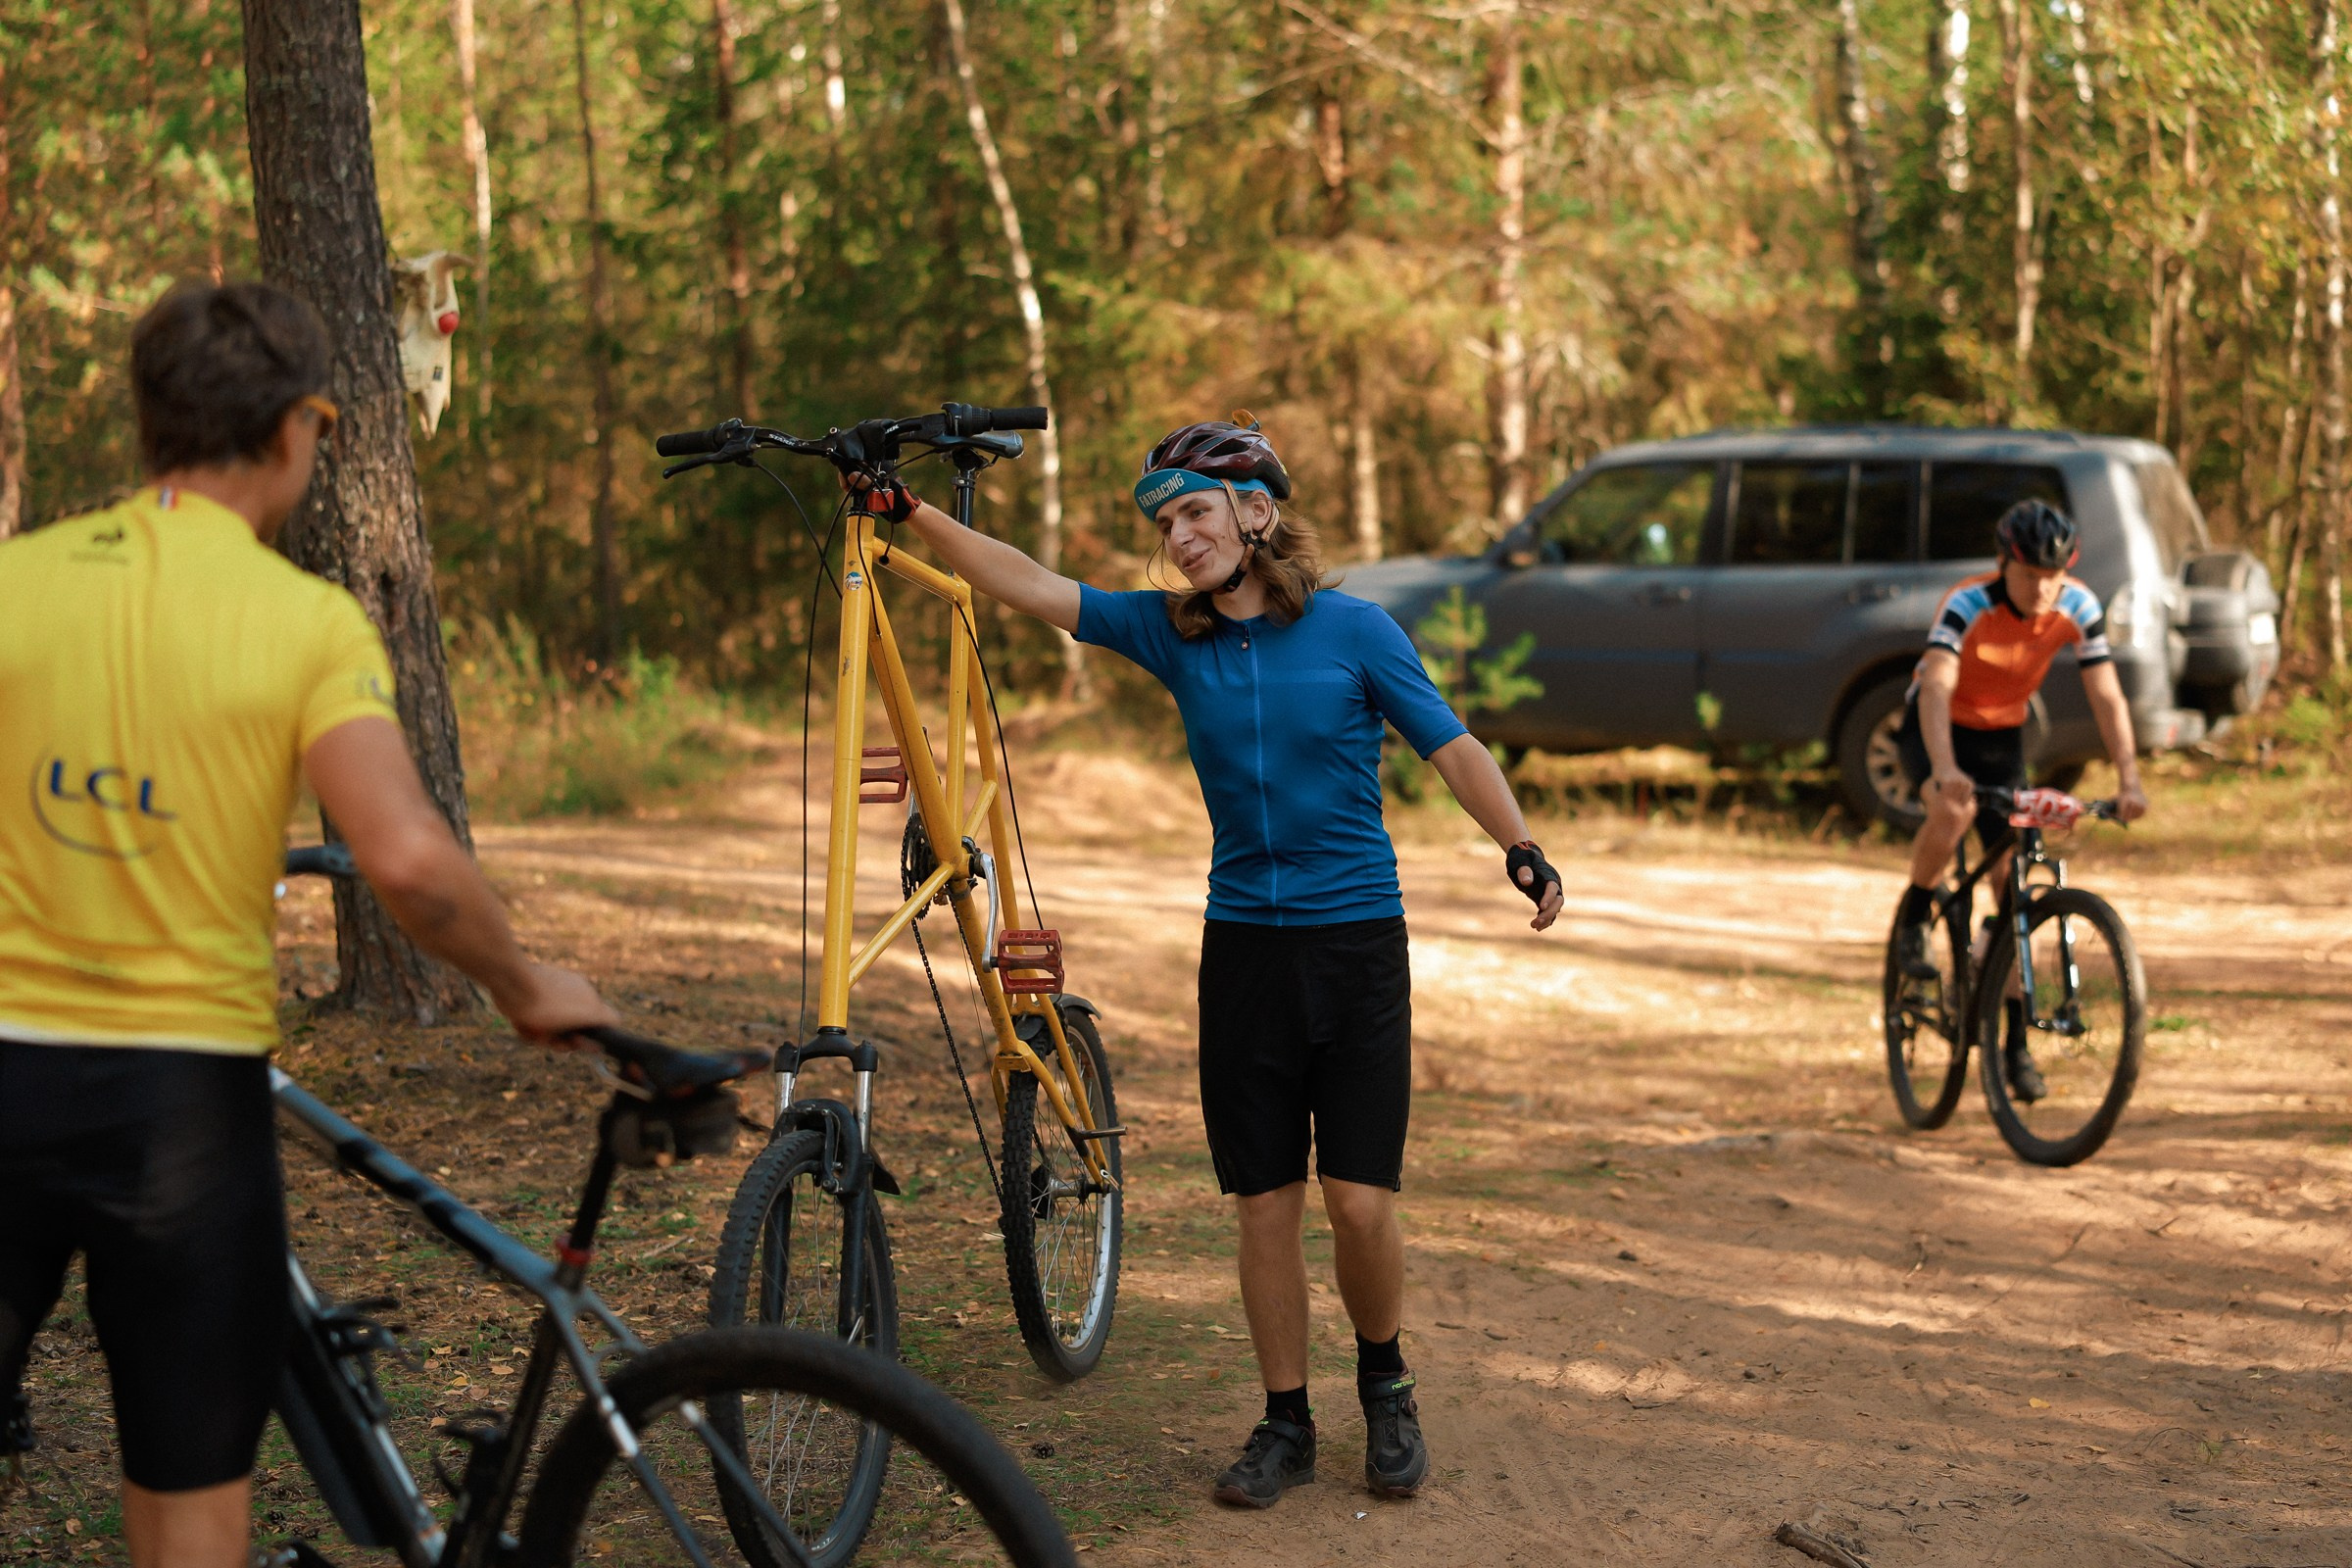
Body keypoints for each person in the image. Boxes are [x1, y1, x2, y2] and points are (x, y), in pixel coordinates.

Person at [0, 280, 616, 1568]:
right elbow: (407, 862)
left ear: (148, 423)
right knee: (187, 1499)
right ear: (301, 428)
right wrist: (523, 982)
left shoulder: (18, 581)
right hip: (183, 1116)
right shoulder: (304, 621)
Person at [859, 417, 1564, 1509]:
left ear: (1255, 513)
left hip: (1355, 944)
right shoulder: (1167, 634)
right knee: (1263, 1202)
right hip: (1241, 950)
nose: (1176, 537)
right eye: (1164, 521)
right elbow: (1032, 585)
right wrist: (912, 513)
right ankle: (1285, 1417)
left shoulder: (1358, 631)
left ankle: (1386, 1383)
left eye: (1193, 511)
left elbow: (1451, 743)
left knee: (1360, 1199)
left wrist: (1517, 842)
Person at [1890, 499, 2148, 1098]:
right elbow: (1935, 683)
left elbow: (2106, 694)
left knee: (2013, 891)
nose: (2042, 588)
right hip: (1936, 727)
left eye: (2054, 576)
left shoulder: (2078, 606)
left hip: (2001, 735)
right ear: (2005, 564)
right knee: (1953, 809)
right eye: (2030, 574)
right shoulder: (1968, 602)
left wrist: (2130, 780)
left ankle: (2013, 1045)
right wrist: (1945, 768)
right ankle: (1914, 911)